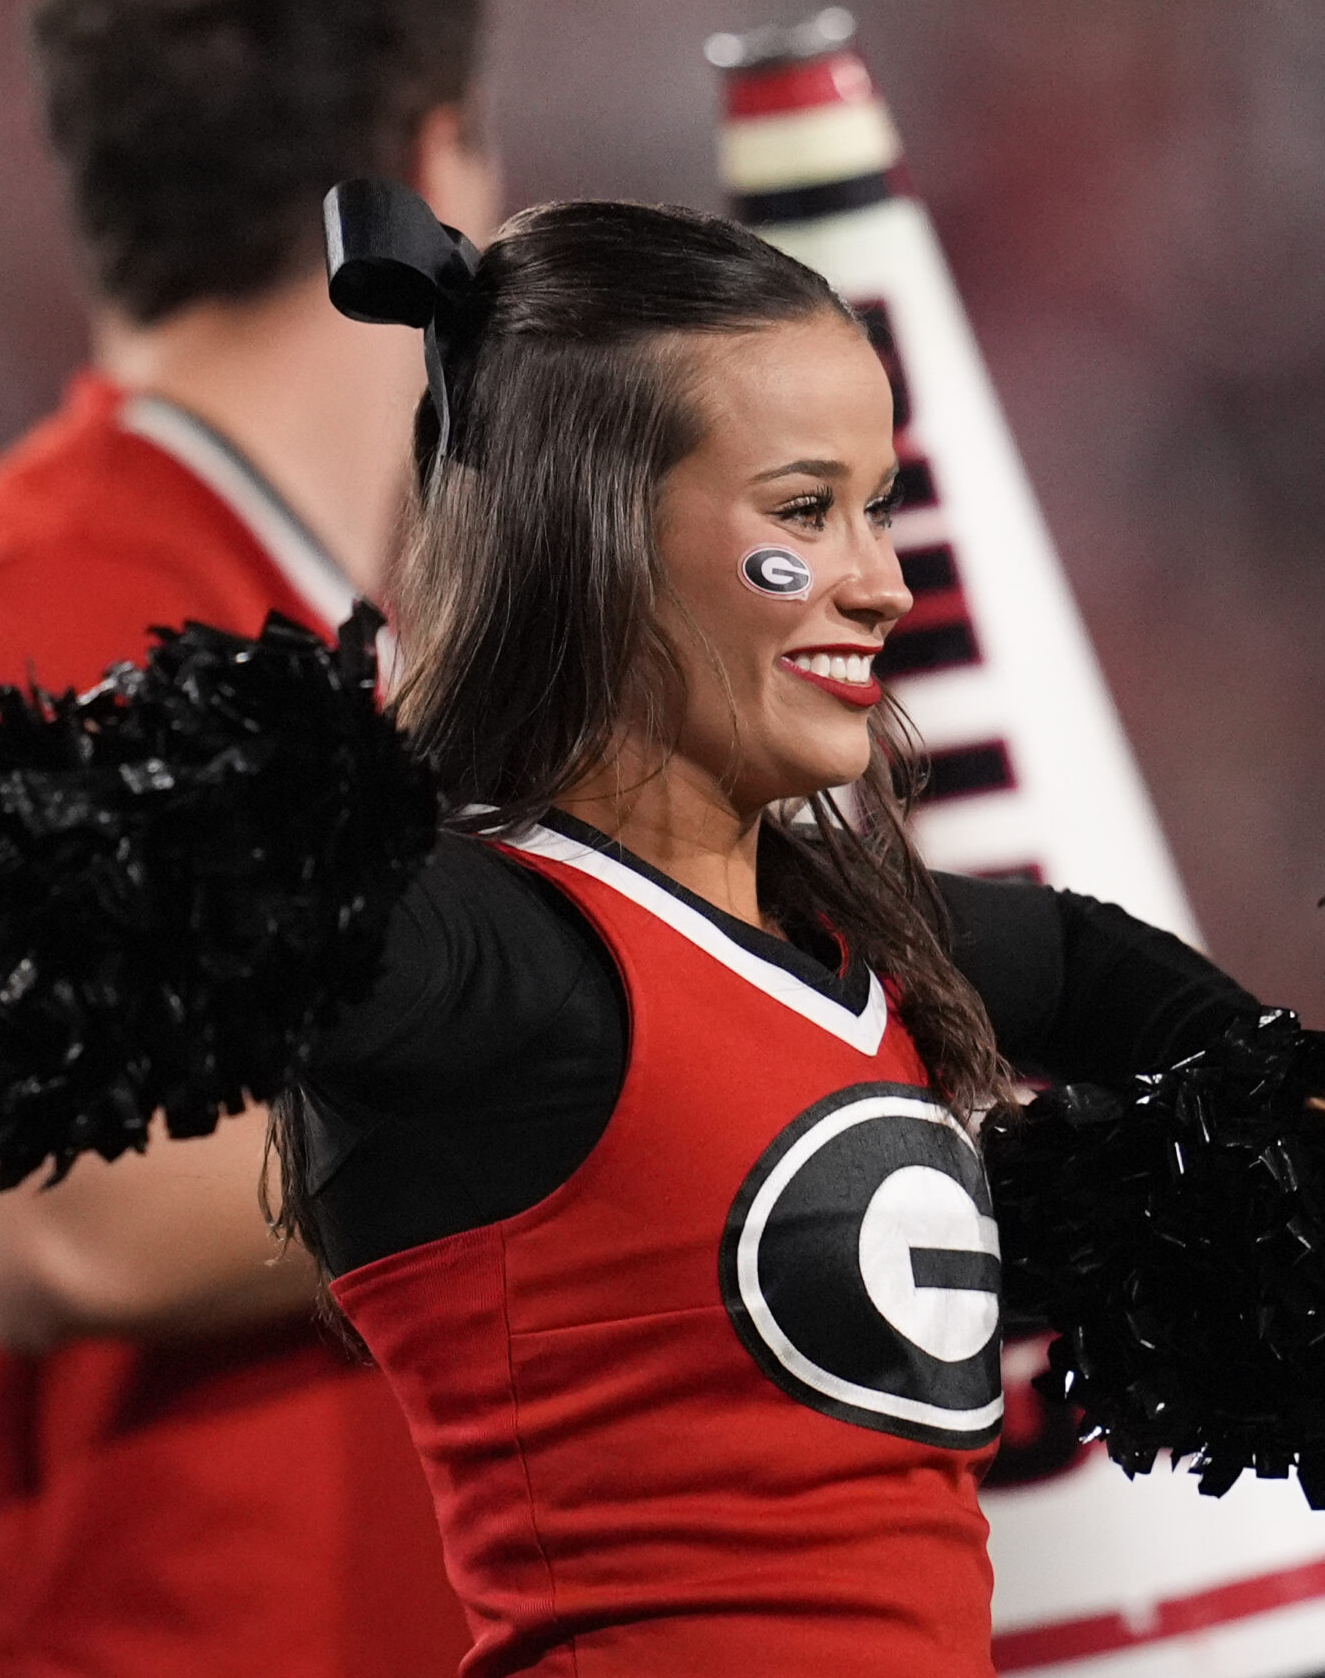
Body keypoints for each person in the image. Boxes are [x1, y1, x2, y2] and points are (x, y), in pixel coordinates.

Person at [264, 192, 1258, 1677]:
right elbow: (227, 923)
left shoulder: (845, 935)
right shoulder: (491, 948)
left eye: (879, 507)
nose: (882, 581)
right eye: (805, 512)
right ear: (589, 536)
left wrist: (1309, 1115)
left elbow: (1078, 960)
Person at [0, 0, 496, 1675]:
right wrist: (600, 1116)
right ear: (436, 171)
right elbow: (54, 1221)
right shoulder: (51, 608)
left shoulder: (353, 635)